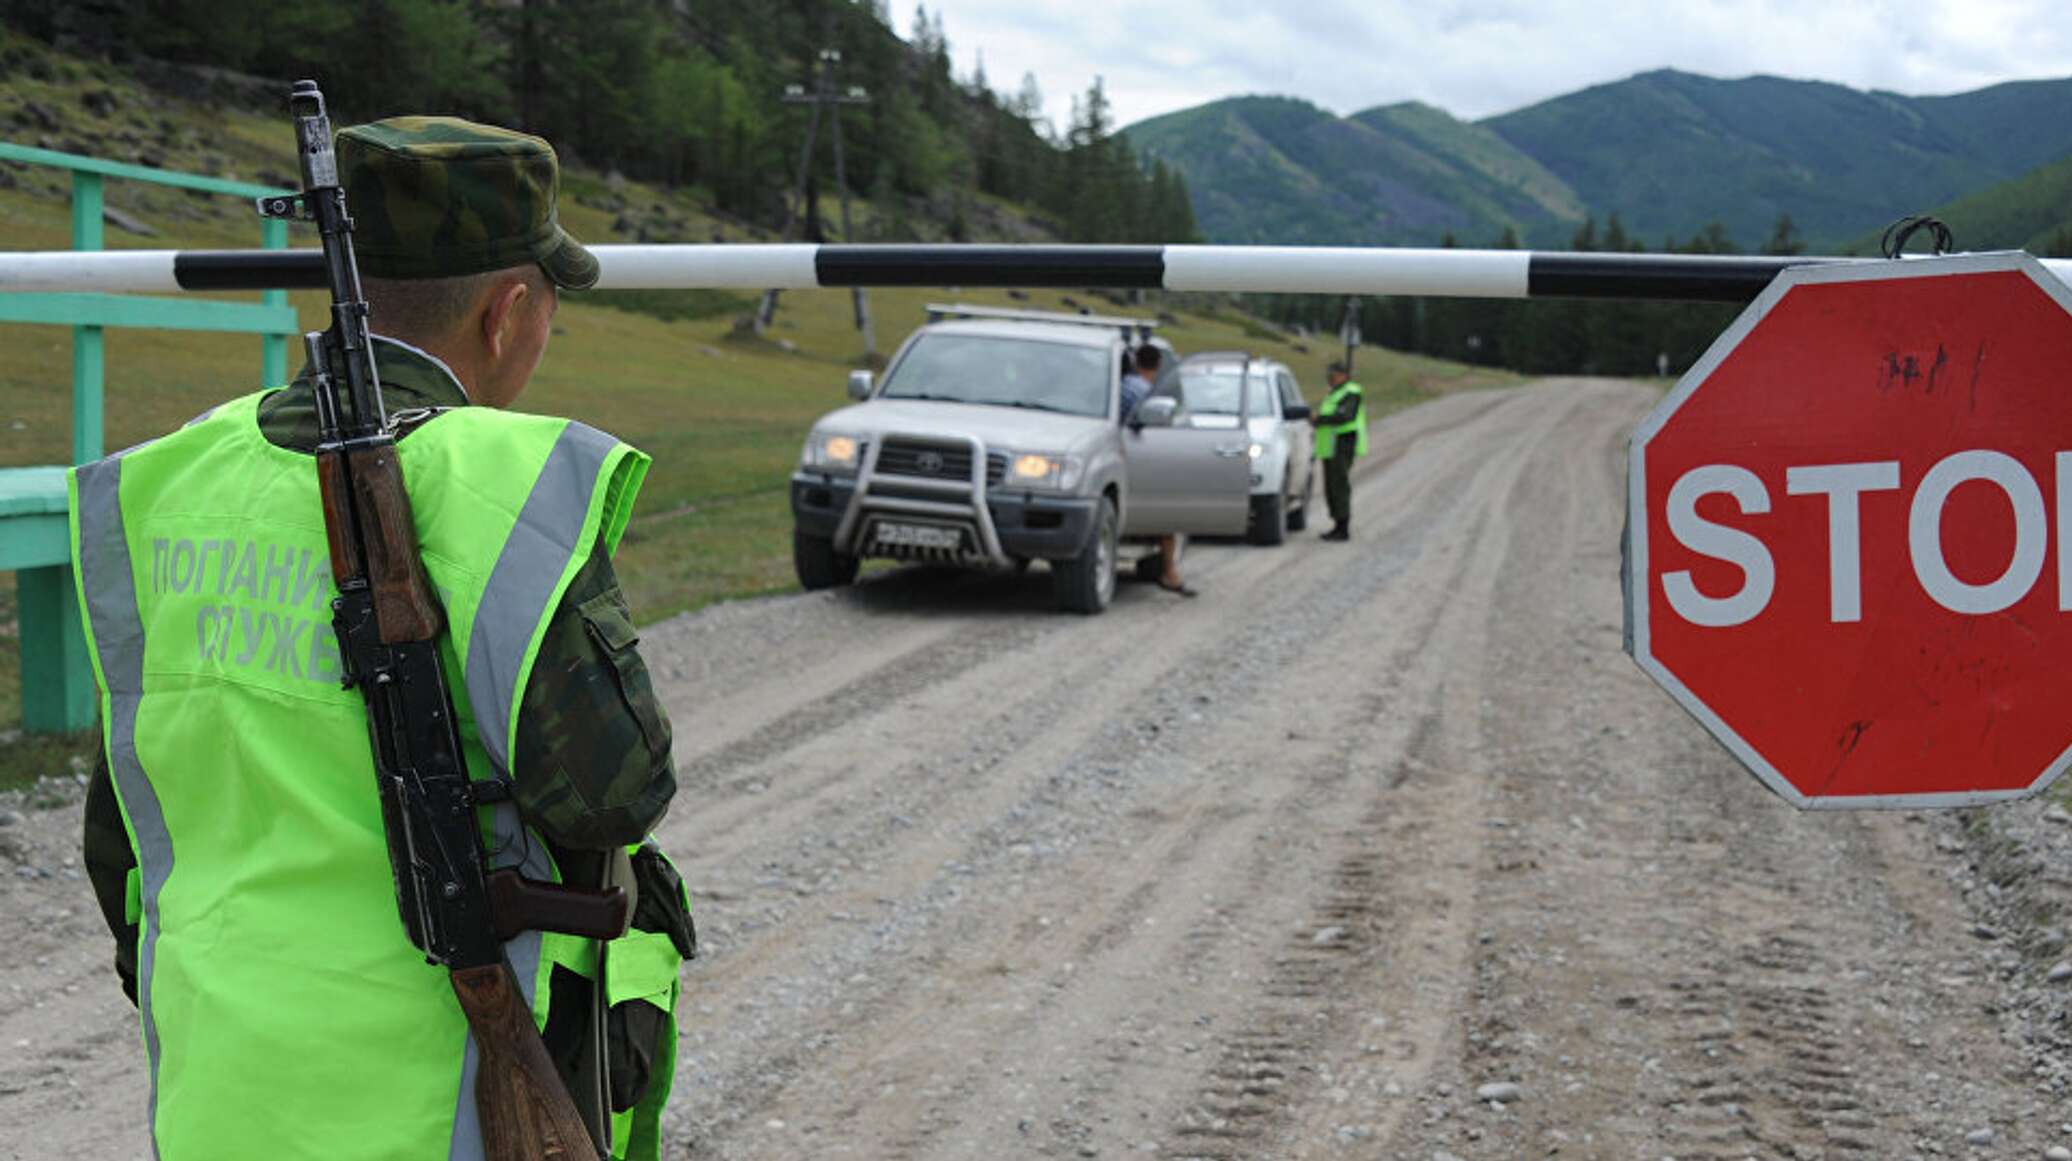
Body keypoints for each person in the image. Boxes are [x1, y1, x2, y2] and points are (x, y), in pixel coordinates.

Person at [71, 117, 692, 1160]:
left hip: (224, 1089)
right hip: (436, 1110)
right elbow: (616, 788)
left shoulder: (164, 483)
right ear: (508, 314)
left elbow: (124, 827)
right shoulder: (504, 490)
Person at [1121, 344, 1196, 597]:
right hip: (1138, 459)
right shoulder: (1145, 392)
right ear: (1158, 365)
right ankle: (1169, 572)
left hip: (1116, 455)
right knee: (1168, 515)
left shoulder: (1122, 385)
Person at [1313, 361, 1368, 540]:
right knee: (1331, 486)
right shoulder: (1335, 392)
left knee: (1339, 485)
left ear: (1343, 375)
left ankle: (1342, 528)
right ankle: (1337, 524)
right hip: (1330, 445)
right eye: (1329, 375)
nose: (1330, 378)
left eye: (1333, 375)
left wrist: (1319, 419)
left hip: (1343, 443)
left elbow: (1345, 415)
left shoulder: (1351, 391)